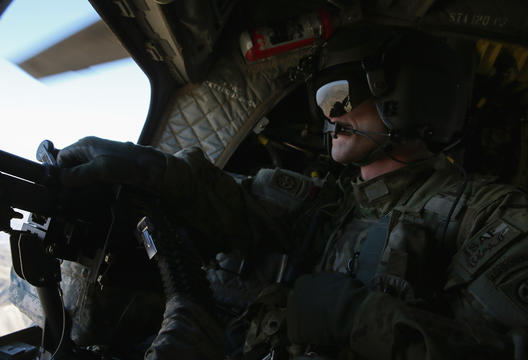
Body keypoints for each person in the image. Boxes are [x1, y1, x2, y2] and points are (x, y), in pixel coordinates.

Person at [55, 26, 528, 359]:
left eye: (339, 96)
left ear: (410, 95)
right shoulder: (336, 206)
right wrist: (144, 166)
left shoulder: (489, 217)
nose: (330, 115)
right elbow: (234, 203)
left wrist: (358, 318)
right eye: (322, 100)